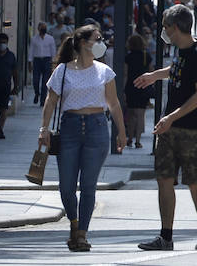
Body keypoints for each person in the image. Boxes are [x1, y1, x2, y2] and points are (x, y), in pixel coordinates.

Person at [134, 4, 197, 252]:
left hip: (192, 129)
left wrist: (172, 117)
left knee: (194, 181)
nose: (163, 31)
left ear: (177, 27)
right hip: (169, 128)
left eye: (166, 27)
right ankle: (166, 237)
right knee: (164, 180)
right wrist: (154, 75)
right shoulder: (180, 52)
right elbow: (176, 71)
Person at [39, 23, 127, 252]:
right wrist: (44, 129)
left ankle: (82, 234)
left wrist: (122, 132)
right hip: (70, 128)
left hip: (97, 127)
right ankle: (74, 223)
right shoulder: (63, 70)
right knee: (66, 187)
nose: (100, 43)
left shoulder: (104, 71)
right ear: (81, 43)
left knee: (88, 186)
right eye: (96, 39)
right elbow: (50, 101)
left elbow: (114, 103)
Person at [124, 34, 153, 150]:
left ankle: (130, 138)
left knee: (131, 114)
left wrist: (123, 89)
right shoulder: (146, 56)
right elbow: (151, 71)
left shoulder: (128, 57)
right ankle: (138, 140)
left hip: (131, 86)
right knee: (140, 115)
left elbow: (125, 74)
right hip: (143, 85)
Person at [29, 22, 56, 105]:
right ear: (38, 29)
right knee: (36, 80)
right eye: (41, 27)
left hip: (47, 60)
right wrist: (29, 61)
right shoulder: (34, 39)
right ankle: (37, 93)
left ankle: (43, 100)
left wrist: (53, 63)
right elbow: (31, 51)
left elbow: (53, 51)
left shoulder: (50, 39)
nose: (43, 29)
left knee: (45, 81)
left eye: (44, 27)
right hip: (37, 60)